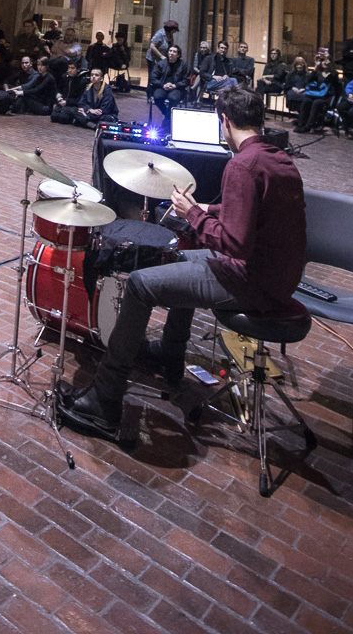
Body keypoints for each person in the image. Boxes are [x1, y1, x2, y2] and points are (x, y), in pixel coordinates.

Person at [60, 88, 307, 440]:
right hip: (277, 276)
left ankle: (106, 398)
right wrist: (210, 209)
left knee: (141, 284)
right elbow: (256, 215)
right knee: (176, 256)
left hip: (250, 281)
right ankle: (170, 355)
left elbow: (235, 243)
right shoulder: (277, 159)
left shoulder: (242, 164)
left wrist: (191, 213)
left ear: (225, 121)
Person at [294, 58, 342, 134]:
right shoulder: (318, 72)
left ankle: (308, 126)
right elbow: (308, 80)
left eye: (327, 60)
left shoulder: (334, 74)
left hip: (326, 97)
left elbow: (335, 84)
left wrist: (330, 66)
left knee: (316, 103)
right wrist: (315, 68)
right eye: (323, 61)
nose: (325, 62)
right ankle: (301, 124)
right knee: (306, 100)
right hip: (316, 94)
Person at [148, 44, 191, 121]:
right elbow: (153, 78)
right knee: (157, 97)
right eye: (170, 51)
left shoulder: (183, 64)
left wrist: (175, 85)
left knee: (173, 98)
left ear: (178, 55)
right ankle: (168, 116)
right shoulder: (161, 64)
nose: (171, 53)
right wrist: (162, 85)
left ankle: (167, 119)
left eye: (174, 52)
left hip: (177, 88)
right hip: (162, 86)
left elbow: (186, 80)